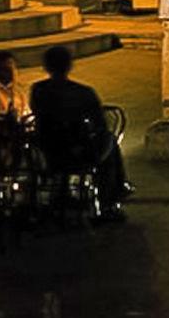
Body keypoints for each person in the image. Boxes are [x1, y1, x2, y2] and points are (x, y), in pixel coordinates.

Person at [29, 45, 130, 223]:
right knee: (109, 141)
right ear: (69, 65)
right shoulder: (83, 93)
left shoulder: (38, 90)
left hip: (48, 150)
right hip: (78, 151)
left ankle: (61, 195)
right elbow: (99, 122)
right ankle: (110, 200)